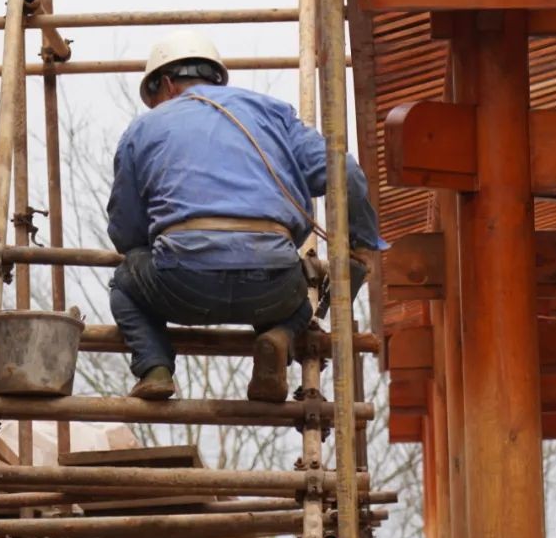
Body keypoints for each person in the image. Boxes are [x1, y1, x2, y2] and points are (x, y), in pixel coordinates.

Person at [107, 30, 386, 403]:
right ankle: (279, 337)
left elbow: (126, 233)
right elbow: (345, 172)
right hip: (270, 282)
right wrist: (362, 244)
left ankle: (154, 368)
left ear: (168, 85)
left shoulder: (143, 129)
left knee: (125, 284)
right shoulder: (272, 113)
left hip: (183, 284)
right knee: (301, 304)